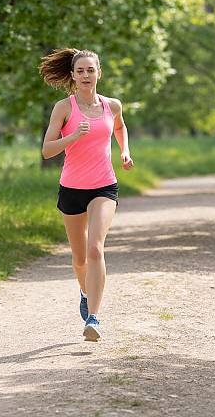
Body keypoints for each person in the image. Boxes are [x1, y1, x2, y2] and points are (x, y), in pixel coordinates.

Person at [40, 48, 134, 342]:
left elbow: (120, 127)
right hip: (71, 189)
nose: (85, 75)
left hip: (104, 185)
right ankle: (83, 290)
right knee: (80, 259)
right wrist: (73, 136)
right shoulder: (64, 108)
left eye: (90, 70)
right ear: (72, 76)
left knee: (96, 249)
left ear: (98, 73)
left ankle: (93, 318)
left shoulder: (112, 105)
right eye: (80, 71)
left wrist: (125, 151)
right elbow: (47, 150)